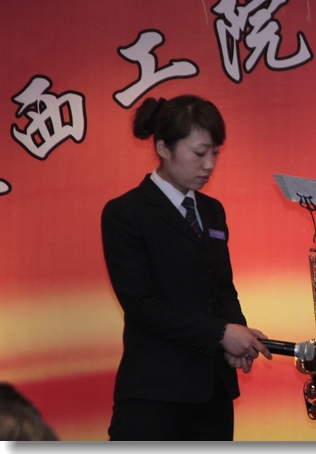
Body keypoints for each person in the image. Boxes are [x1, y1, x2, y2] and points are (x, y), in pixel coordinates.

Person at [101, 95, 272, 441]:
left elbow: (222, 287)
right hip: (156, 391)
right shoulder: (126, 213)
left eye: (216, 153)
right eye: (199, 153)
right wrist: (221, 333)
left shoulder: (212, 210)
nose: (209, 165)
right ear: (163, 148)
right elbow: (141, 305)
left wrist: (237, 335)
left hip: (213, 390)